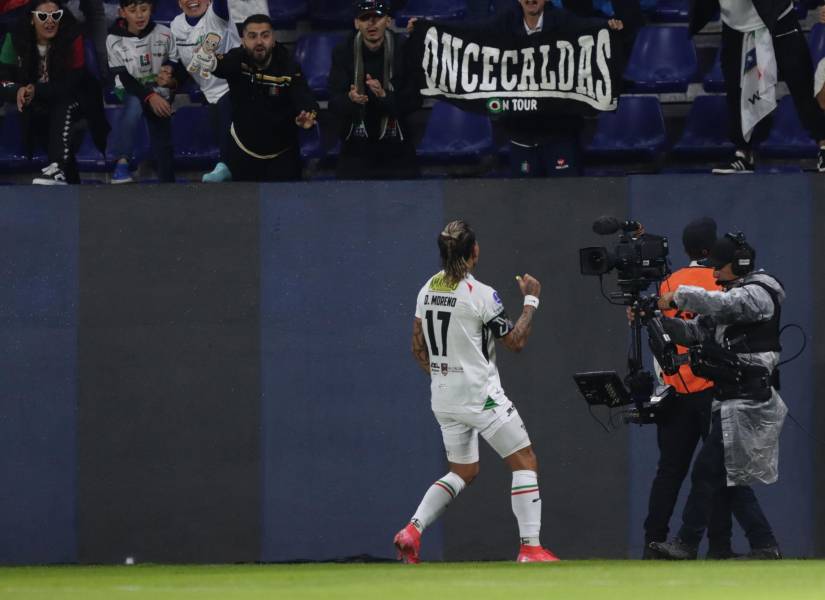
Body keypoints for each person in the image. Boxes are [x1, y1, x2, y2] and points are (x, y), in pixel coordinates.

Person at [393, 220, 559, 564]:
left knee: (463, 471)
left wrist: (446, 377)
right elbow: (515, 342)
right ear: (474, 251)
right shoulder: (481, 294)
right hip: (480, 396)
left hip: (443, 397)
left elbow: (417, 348)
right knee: (524, 460)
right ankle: (530, 548)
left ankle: (412, 530)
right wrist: (531, 301)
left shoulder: (426, 289)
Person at [648, 232, 786, 560]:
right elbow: (695, 331)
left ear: (740, 264)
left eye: (719, 267)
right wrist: (654, 318)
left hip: (748, 401)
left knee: (707, 471)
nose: (714, 273)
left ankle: (687, 543)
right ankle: (765, 545)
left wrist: (678, 297)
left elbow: (725, 305)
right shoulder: (733, 292)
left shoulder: (759, 293)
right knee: (726, 477)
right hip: (731, 400)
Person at [412, 0, 623, 178]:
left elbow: (590, 29)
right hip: (521, 136)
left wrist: (610, 27)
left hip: (561, 135)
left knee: (566, 200)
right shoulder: (505, 21)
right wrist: (426, 29)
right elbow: (470, 33)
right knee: (524, 204)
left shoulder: (564, 21)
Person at [642, 217, 738, 559]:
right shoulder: (721, 281)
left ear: (686, 249)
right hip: (712, 388)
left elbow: (658, 336)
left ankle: (653, 543)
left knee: (669, 473)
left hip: (676, 388)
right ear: (714, 248)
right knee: (716, 472)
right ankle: (720, 546)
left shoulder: (670, 282)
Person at [691, 0, 825, 174]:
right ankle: (744, 154)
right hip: (735, 25)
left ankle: (824, 144)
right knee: (735, 89)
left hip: (778, 18)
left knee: (801, 83)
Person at [0, 0, 109, 184]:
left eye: (55, 15)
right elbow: (2, 78)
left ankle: (57, 167)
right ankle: (66, 178)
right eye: (43, 16)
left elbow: (73, 83)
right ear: (32, 19)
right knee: (54, 138)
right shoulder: (15, 37)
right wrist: (17, 90)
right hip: (37, 105)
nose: (50, 21)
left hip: (77, 101)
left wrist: (36, 90)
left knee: (63, 106)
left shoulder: (72, 36)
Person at [209, 14, 318, 181]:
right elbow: (220, 66)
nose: (259, 42)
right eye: (252, 36)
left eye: (265, 36)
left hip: (283, 156)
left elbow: (305, 99)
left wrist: (307, 115)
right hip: (242, 154)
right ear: (243, 40)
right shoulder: (236, 59)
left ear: (273, 39)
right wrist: (209, 60)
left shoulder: (289, 66)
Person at [328, 0, 422, 180]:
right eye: (365, 18)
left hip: (397, 145)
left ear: (388, 21)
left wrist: (385, 96)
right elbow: (334, 102)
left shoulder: (404, 49)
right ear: (356, 23)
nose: (371, 24)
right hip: (356, 146)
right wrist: (350, 99)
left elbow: (415, 100)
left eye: (377, 18)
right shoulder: (343, 52)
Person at [106, 0, 178, 183]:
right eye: (132, 10)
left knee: (161, 119)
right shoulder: (113, 39)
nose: (139, 15)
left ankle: (167, 179)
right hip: (128, 87)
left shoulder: (164, 33)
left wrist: (169, 70)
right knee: (134, 105)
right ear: (122, 13)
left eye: (144, 9)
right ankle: (122, 163)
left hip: (157, 86)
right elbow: (124, 78)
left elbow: (174, 60)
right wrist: (149, 96)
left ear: (151, 9)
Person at [169, 0, 237, 182]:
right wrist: (171, 80)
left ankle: (225, 165)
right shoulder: (176, 25)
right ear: (179, 2)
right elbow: (181, 64)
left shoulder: (216, 15)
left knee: (227, 108)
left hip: (235, 83)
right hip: (209, 91)